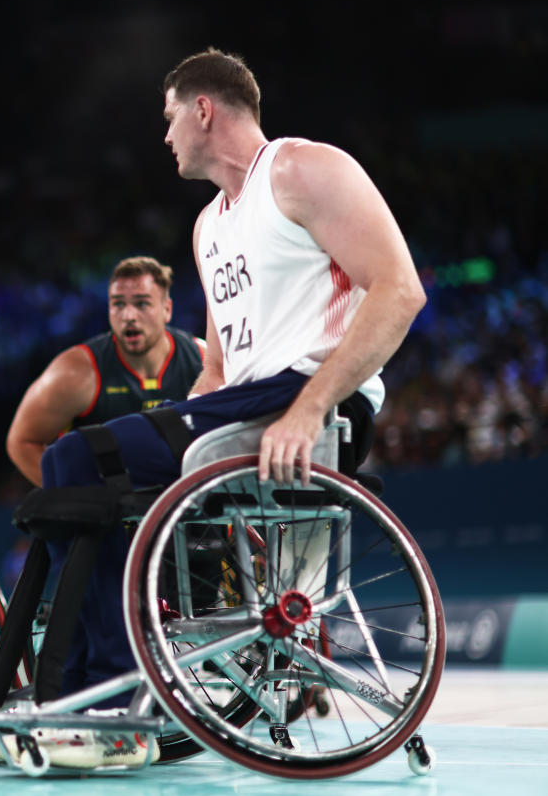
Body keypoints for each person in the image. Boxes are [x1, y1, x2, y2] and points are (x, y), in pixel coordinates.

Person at [32, 48, 425, 749]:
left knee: (81, 458)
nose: (165, 136)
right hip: (243, 404)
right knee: (73, 460)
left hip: (314, 400)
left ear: (202, 109)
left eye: (169, 117)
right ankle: (91, 690)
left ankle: (111, 705)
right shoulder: (208, 226)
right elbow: (215, 368)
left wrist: (309, 408)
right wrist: (171, 422)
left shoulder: (304, 168)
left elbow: (400, 290)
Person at [5, 256, 205, 486]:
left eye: (142, 303)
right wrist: (73, 501)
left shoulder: (203, 359)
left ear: (167, 309)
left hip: (180, 507)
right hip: (106, 508)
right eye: (118, 304)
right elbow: (22, 441)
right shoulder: (76, 371)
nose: (128, 316)